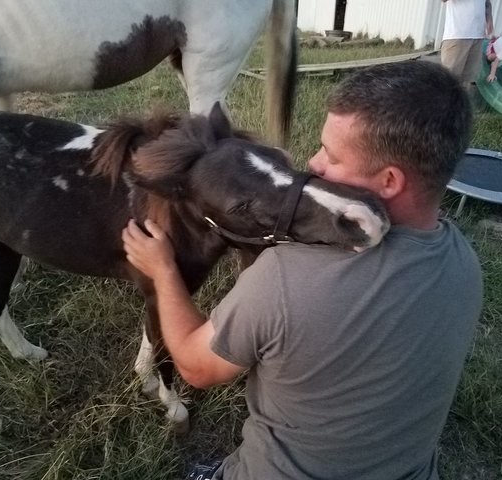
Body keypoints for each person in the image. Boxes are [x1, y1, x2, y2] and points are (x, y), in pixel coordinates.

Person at [122, 60, 483, 480]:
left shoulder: (283, 276)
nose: (313, 163)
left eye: (331, 155)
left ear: (389, 182)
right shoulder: (464, 262)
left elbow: (196, 369)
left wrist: (163, 270)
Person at [441, 0, 494, 89]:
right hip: (457, 35)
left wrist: (489, 21)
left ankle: (459, 102)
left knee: (467, 82)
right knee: (448, 79)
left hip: (477, 36)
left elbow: (487, 3)